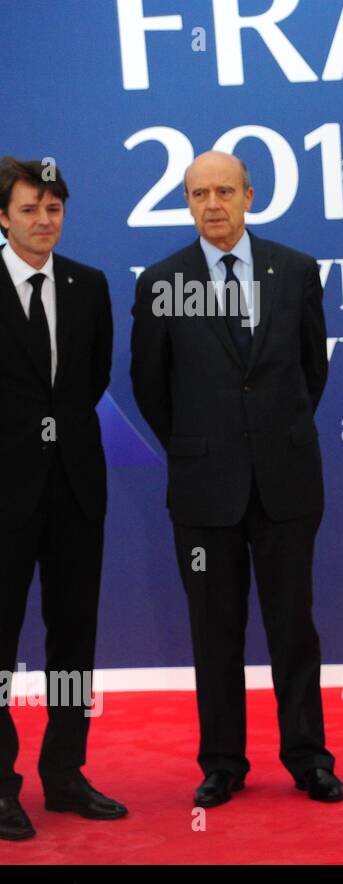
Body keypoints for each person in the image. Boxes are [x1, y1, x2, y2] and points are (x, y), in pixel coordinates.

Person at [130, 151, 342, 808]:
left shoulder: (297, 270)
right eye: (198, 193)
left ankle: (307, 756)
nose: (212, 203)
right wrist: (197, 448)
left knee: (293, 626)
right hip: (202, 487)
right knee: (213, 629)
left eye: (224, 190)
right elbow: (150, 387)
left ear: (251, 195)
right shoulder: (161, 281)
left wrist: (268, 436)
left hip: (285, 480)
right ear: (187, 203)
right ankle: (222, 760)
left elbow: (312, 372)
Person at [0, 157, 124, 840]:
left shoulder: (89, 285)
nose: (44, 221)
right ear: (3, 216)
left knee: (73, 646)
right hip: (3, 498)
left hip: (76, 492)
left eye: (54, 209)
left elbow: (89, 381)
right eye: (29, 209)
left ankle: (66, 770)